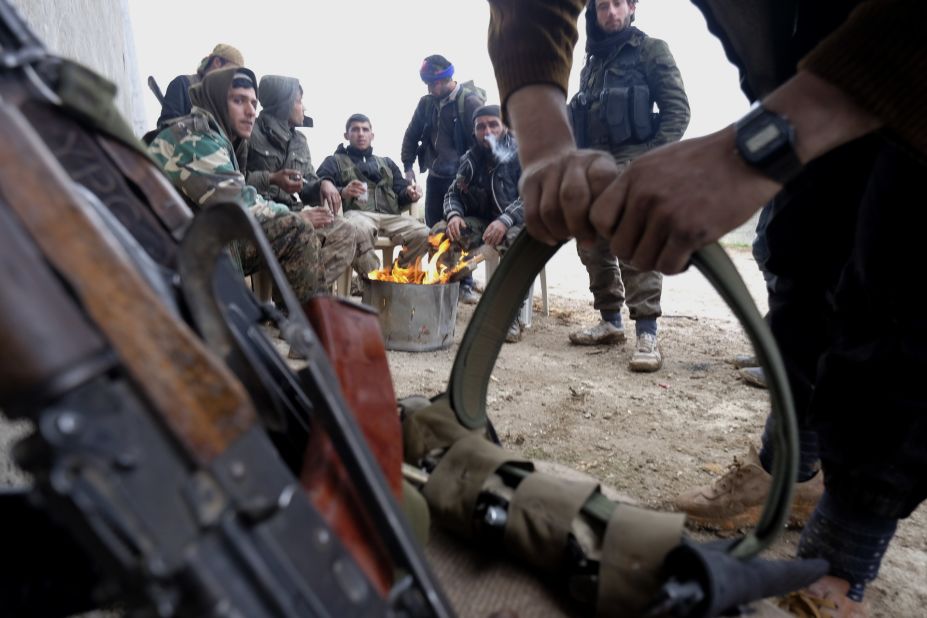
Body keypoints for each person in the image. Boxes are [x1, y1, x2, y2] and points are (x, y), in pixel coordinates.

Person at [486, 0, 926, 615]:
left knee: (900, 280)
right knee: (799, 252)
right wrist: (544, 141)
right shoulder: (593, 62)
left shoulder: (650, 52)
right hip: (805, 68)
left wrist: (750, 150)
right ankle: (791, 470)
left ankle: (844, 553)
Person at [564, 0, 689, 374]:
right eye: (603, 7)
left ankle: (647, 332)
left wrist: (645, 163)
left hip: (634, 159)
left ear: (633, 7)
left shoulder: (651, 51)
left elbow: (677, 111)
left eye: (618, 4)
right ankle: (610, 321)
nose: (611, 13)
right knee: (590, 241)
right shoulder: (593, 62)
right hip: (595, 163)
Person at [148, 66, 326, 302]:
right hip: (166, 253)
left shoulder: (219, 137)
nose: (251, 111)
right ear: (217, 102)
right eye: (238, 100)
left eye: (253, 103)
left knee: (303, 229)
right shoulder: (194, 137)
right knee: (296, 230)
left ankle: (304, 323)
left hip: (193, 240)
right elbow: (239, 204)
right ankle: (310, 331)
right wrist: (298, 216)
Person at [245, 75, 379, 285]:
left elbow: (307, 184)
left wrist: (323, 183)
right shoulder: (250, 132)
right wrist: (271, 179)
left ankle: (299, 298)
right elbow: (237, 182)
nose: (303, 107)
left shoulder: (300, 141)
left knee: (347, 231)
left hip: (295, 210)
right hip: (262, 213)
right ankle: (300, 302)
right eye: (298, 101)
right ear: (284, 103)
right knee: (312, 233)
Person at [434, 105, 527, 340]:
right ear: (474, 131)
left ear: (504, 125)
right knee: (442, 232)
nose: (487, 131)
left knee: (515, 242)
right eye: (481, 127)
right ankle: (441, 307)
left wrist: (505, 220)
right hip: (484, 222)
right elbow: (452, 193)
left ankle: (510, 317)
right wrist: (454, 215)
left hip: (520, 221)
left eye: (493, 124)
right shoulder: (471, 158)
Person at [316, 114, 430, 270]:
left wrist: (410, 193)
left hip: (390, 217)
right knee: (357, 230)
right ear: (346, 135)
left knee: (424, 233)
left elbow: (401, 191)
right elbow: (318, 183)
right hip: (357, 216)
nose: (361, 134)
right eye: (355, 129)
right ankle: (374, 282)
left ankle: (399, 277)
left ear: (372, 135)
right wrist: (343, 191)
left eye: (365, 129)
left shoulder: (387, 163)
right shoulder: (334, 161)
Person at [400, 54, 486, 227]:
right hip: (435, 178)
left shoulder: (470, 103)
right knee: (433, 232)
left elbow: (483, 145)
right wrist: (408, 167)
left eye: (432, 84)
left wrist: (471, 177)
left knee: (457, 233)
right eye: (427, 85)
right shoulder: (426, 104)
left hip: (461, 181)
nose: (429, 89)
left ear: (444, 79)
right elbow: (411, 135)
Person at [156, 44, 244, 128]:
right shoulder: (183, 84)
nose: (234, 78)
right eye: (233, 71)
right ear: (217, 62)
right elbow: (166, 130)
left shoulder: (225, 99)